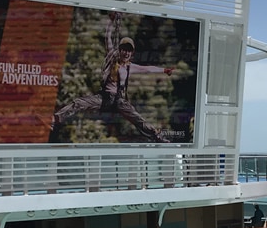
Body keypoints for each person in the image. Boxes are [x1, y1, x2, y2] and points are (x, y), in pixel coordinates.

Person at [48, 11, 180, 144]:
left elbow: (148, 69)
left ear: (131, 53)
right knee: (79, 103)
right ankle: (55, 119)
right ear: (120, 50)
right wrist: (111, 22)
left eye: (129, 51)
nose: (126, 53)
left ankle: (157, 137)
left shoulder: (129, 67)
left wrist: (164, 70)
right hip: (104, 98)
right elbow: (108, 38)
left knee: (138, 119)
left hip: (120, 101)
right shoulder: (112, 59)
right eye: (124, 49)